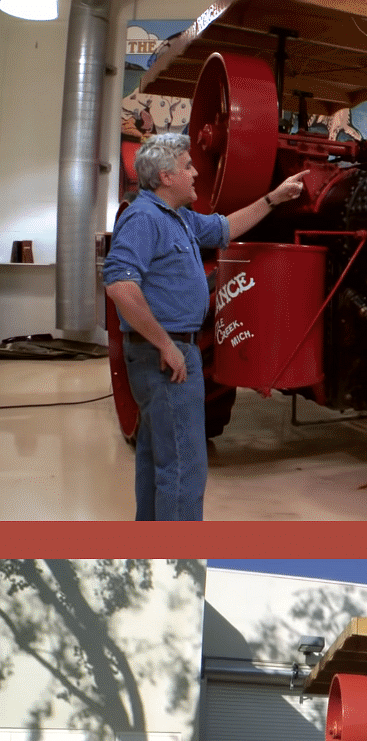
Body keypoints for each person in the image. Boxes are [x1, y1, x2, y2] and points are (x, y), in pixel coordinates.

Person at [102, 133, 306, 520]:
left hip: (171, 352)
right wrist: (165, 344)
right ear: (165, 176)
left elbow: (225, 228)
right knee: (184, 465)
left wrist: (273, 199)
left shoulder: (177, 218)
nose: (196, 173)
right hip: (167, 357)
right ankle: (179, 565)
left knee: (157, 456)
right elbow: (119, 284)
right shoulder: (145, 217)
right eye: (187, 166)